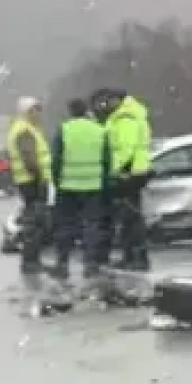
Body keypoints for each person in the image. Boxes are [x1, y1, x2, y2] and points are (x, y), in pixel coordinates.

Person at [49, 96, 112, 280]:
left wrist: (57, 181)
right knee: (92, 226)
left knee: (65, 226)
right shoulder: (99, 131)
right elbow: (107, 161)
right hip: (93, 186)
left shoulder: (64, 129)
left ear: (70, 111)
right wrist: (105, 183)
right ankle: (90, 264)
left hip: (68, 186)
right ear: (86, 111)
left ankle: (62, 264)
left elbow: (56, 159)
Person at [95, 87, 154, 271]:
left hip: (130, 171)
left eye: (110, 100)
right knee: (130, 216)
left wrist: (115, 170)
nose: (107, 104)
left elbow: (126, 148)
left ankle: (137, 258)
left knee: (131, 217)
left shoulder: (125, 117)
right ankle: (132, 256)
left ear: (119, 100)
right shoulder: (128, 115)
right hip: (134, 170)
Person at [6, 96, 51, 272]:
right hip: (32, 181)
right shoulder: (24, 130)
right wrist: (39, 177)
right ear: (25, 112)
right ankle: (31, 261)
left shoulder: (27, 128)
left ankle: (31, 259)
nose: (37, 114)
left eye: (38, 110)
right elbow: (29, 157)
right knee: (34, 221)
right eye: (34, 110)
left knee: (33, 219)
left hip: (27, 180)